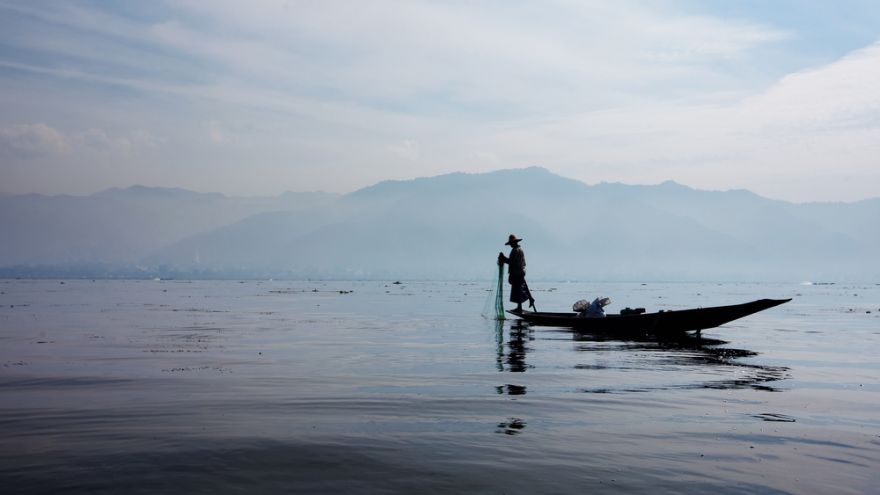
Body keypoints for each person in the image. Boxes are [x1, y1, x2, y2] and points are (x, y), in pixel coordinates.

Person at [498, 234, 536, 312]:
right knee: (523, 287)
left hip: (517, 273)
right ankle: (531, 299)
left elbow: (511, 262)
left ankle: (519, 308)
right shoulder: (519, 249)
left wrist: (503, 258)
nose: (511, 245)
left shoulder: (515, 250)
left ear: (514, 242)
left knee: (518, 289)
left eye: (511, 243)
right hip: (520, 271)